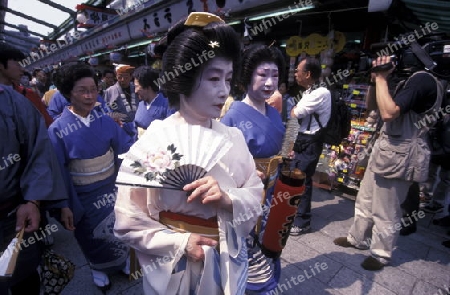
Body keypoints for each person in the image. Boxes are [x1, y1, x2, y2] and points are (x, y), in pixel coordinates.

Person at [113, 12, 263, 295]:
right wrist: (178, 243)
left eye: (229, 79)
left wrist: (228, 198)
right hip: (174, 264)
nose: (224, 91)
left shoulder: (234, 137)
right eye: (214, 78)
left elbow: (255, 192)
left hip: (224, 258)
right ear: (183, 80)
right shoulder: (154, 141)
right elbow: (127, 220)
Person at [333, 55, 442, 270]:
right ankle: (357, 238)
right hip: (385, 149)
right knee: (365, 198)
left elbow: (388, 112)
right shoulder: (407, 80)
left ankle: (381, 254)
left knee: (386, 209)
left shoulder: (423, 80)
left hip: (401, 153)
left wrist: (383, 78)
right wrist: (375, 81)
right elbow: (374, 106)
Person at [47, 63, 134, 290]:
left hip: (111, 185)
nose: (89, 96)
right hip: (82, 192)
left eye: (93, 89)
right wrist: (64, 204)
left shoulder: (105, 120)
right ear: (68, 93)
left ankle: (123, 259)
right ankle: (97, 266)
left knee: (119, 225)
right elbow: (58, 170)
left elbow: (124, 149)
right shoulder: (57, 130)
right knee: (90, 232)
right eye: (82, 90)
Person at [0, 43, 67, 295]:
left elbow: (39, 150)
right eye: (16, 61)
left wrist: (33, 200)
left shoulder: (19, 100)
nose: (21, 67)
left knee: (22, 276)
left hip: (13, 211)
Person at [221, 44, 286, 294]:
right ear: (247, 76)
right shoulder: (233, 116)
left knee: (272, 245)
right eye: (263, 75)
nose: (270, 82)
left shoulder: (274, 112)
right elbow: (223, 165)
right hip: (248, 198)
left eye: (275, 75)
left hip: (274, 193)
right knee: (249, 251)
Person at [289, 57, 332, 236]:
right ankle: (294, 213)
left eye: (298, 70)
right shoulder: (309, 92)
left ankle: (303, 221)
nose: (295, 73)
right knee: (296, 177)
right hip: (302, 140)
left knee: (303, 180)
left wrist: (292, 109)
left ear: (307, 74)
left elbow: (295, 113)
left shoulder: (320, 93)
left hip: (311, 142)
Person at [132, 65, 175, 137]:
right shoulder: (141, 104)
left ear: (148, 87)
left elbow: (172, 131)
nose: (135, 91)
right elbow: (134, 127)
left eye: (137, 86)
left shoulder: (167, 105)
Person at [103, 64, 139, 141]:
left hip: (137, 125)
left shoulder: (136, 88)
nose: (123, 79)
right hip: (120, 127)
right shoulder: (110, 91)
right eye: (120, 77)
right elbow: (106, 111)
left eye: (126, 77)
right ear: (116, 77)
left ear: (131, 77)